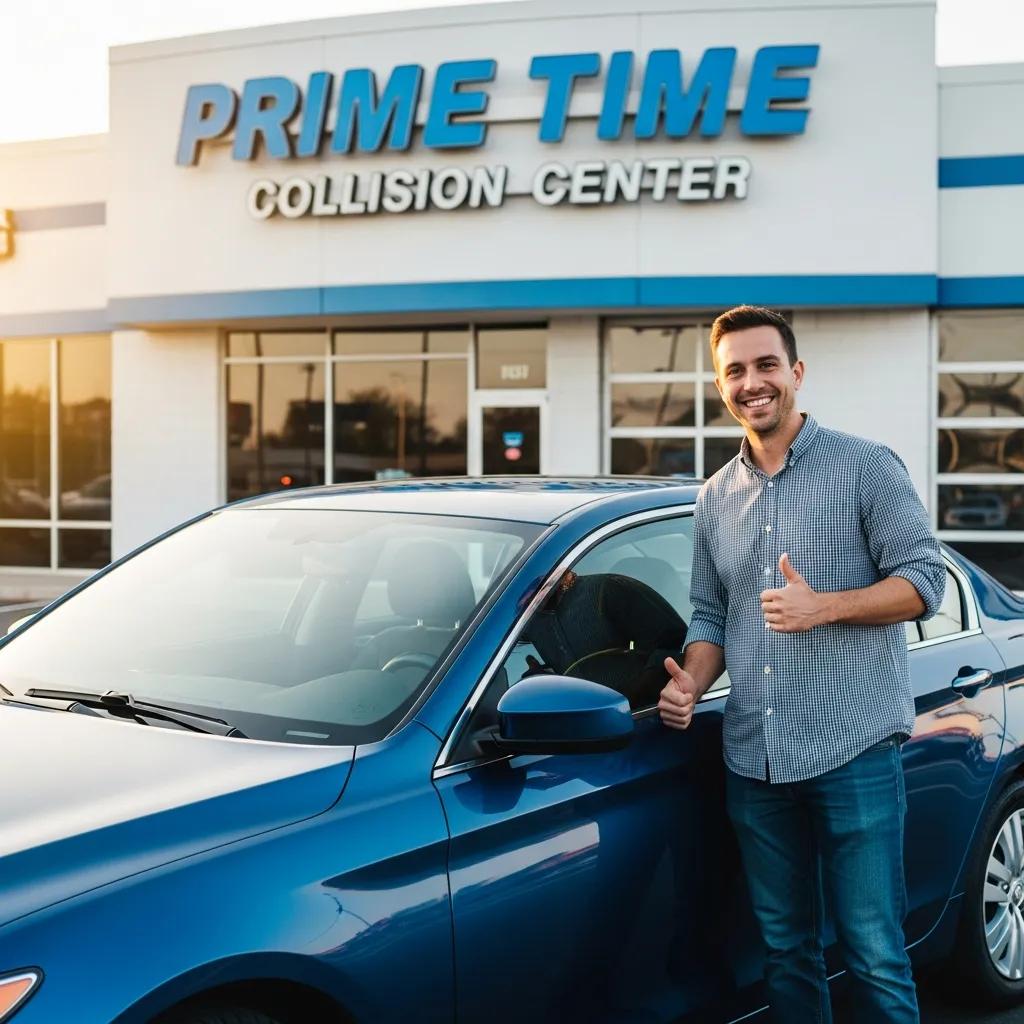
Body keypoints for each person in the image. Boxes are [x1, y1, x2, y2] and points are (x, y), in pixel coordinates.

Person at [658, 305, 945, 1023]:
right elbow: (711, 614)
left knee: (875, 951)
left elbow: (924, 580)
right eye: (735, 371)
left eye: (765, 366)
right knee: (785, 951)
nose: (751, 383)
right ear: (720, 385)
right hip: (754, 762)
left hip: (853, 752)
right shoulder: (714, 497)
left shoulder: (865, 465)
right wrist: (693, 680)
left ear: (796, 373)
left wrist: (825, 607)